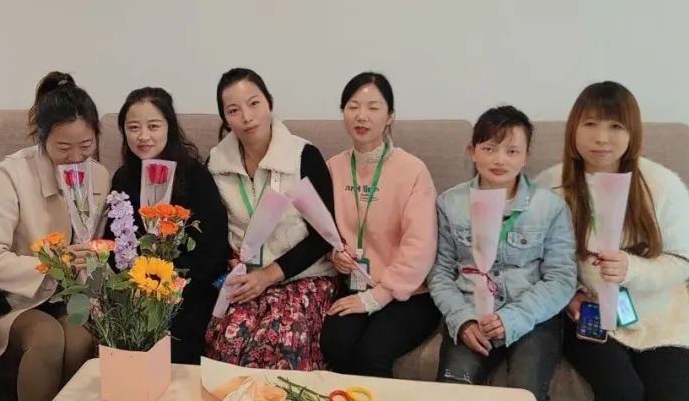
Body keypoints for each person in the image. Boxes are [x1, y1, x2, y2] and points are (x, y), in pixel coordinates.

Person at [535, 81, 689, 401]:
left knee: (673, 391)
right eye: (590, 124)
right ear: (573, 128)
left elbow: (683, 260)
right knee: (622, 390)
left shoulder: (662, 185)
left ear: (632, 132)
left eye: (615, 126)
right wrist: (570, 296)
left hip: (657, 313)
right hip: (585, 313)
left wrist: (631, 269)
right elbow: (534, 258)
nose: (601, 138)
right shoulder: (550, 185)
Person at [0, 72, 109, 401]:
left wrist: (92, 265)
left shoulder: (99, 176)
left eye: (86, 146)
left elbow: (96, 246)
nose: (76, 157)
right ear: (42, 139)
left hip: (67, 297)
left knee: (80, 339)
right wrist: (52, 264)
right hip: (11, 300)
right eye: (63, 147)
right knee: (47, 338)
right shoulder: (11, 174)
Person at [429, 105, 576, 399]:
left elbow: (561, 278)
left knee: (525, 390)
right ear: (472, 151)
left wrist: (513, 318)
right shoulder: (450, 203)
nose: (500, 160)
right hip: (471, 312)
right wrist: (462, 319)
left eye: (512, 151)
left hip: (532, 317)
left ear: (526, 157)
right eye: (489, 148)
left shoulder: (550, 207)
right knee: (452, 391)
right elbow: (440, 272)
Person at [204, 67, 337, 370]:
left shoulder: (303, 156)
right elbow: (212, 228)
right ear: (225, 119)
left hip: (304, 276)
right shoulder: (215, 165)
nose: (247, 117)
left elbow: (323, 237)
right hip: (246, 279)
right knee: (229, 340)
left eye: (254, 104)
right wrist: (230, 260)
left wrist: (268, 276)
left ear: (270, 103)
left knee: (282, 339)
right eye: (234, 110)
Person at [320, 72, 441, 377]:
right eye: (353, 106)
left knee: (373, 353)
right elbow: (322, 229)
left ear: (390, 116)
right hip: (354, 284)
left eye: (373, 107)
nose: (362, 116)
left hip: (408, 294)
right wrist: (335, 255)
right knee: (335, 344)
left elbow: (420, 246)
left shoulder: (413, 170)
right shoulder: (333, 167)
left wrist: (378, 296)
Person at [108, 86, 230, 363]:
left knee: (178, 331)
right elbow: (114, 243)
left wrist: (167, 286)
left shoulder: (195, 177)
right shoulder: (123, 178)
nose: (143, 136)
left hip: (187, 291)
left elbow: (213, 253)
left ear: (169, 128)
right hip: (134, 291)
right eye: (133, 127)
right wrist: (135, 285)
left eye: (153, 126)